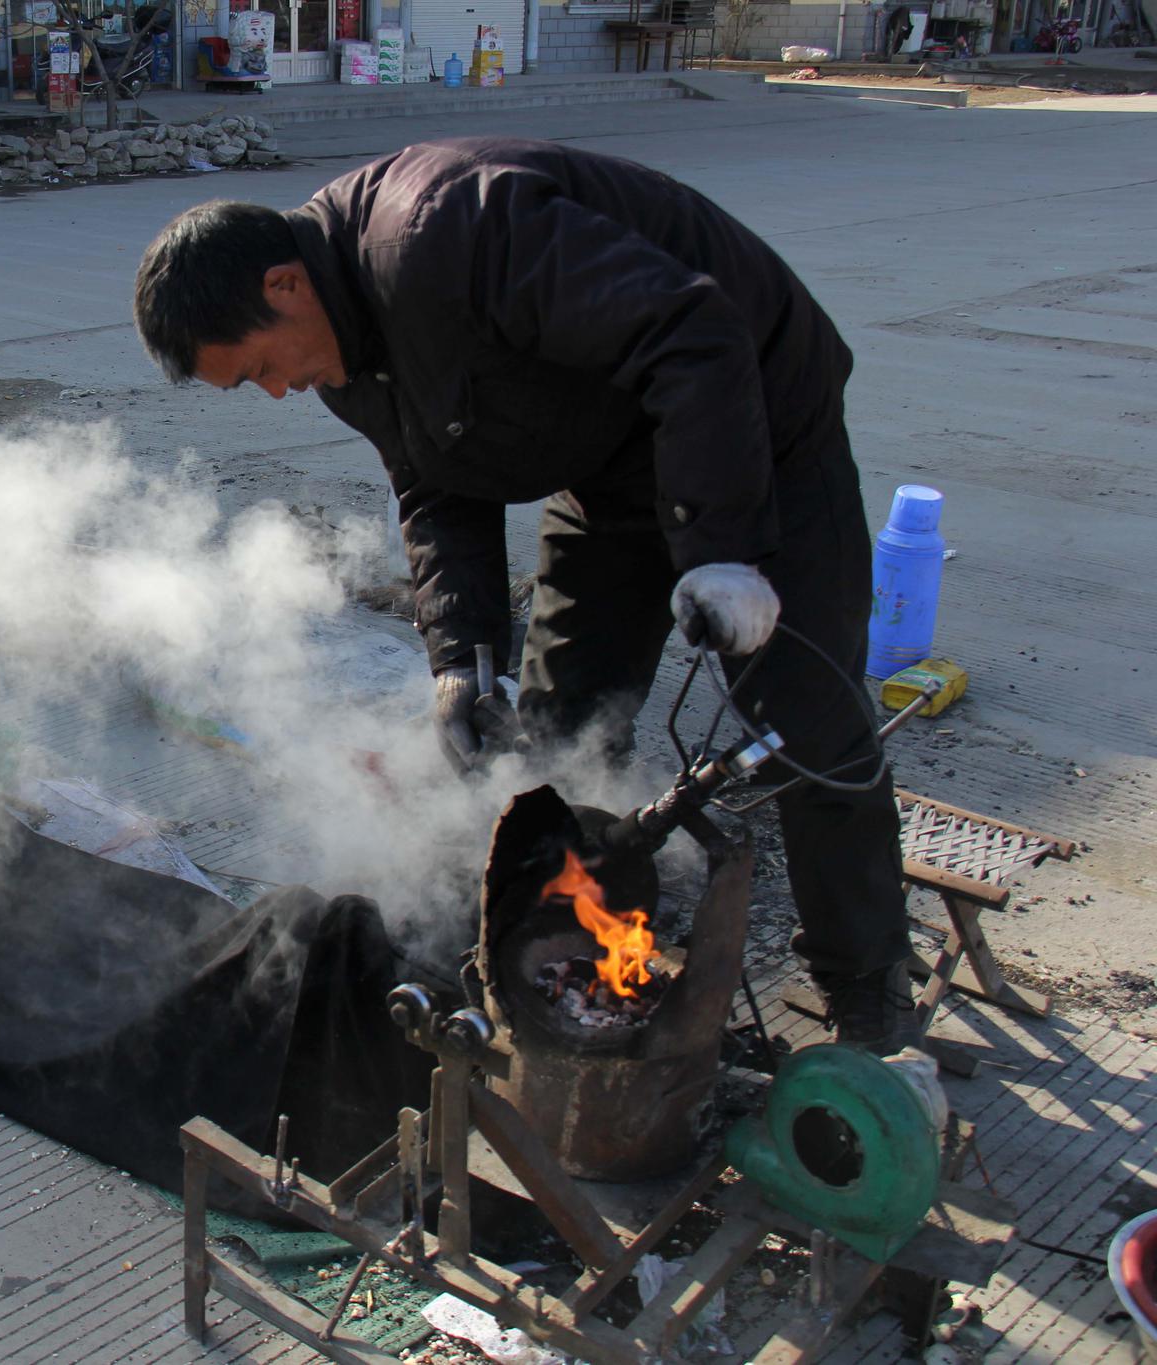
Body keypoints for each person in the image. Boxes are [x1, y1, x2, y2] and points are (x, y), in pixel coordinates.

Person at [132, 137, 916, 1050]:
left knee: (804, 723)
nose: (276, 393)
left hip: (757, 421)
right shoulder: (336, 350)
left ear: (283, 286)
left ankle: (865, 982)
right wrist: (460, 659)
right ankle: (581, 938)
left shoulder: (449, 232)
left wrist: (723, 550)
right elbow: (434, 482)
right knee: (558, 726)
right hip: (608, 462)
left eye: (262, 367)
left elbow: (694, 332)